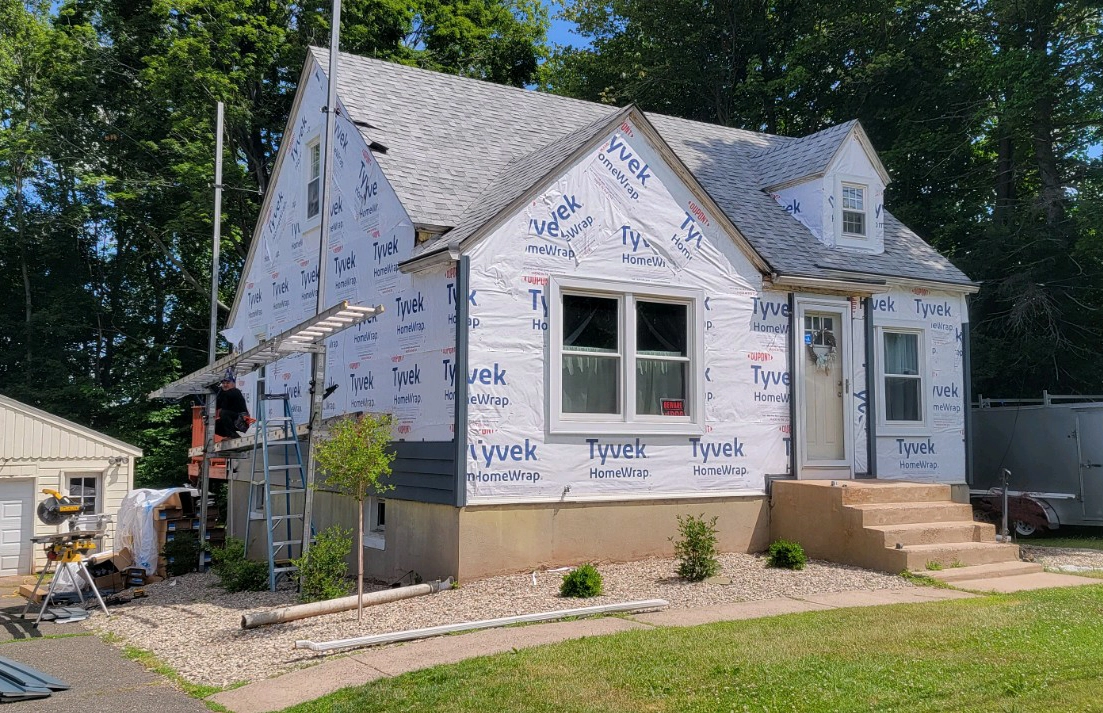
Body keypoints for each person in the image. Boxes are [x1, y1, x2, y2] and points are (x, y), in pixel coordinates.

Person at [215, 372, 251, 438]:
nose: (225, 385)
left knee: (223, 413)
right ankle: (232, 436)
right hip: (232, 420)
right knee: (214, 425)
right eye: (223, 383)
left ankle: (232, 435)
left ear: (233, 384)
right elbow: (216, 405)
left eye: (227, 383)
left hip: (241, 421)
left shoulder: (236, 391)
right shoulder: (223, 395)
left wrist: (215, 388)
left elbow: (227, 394)